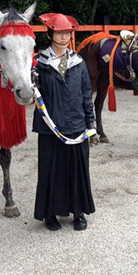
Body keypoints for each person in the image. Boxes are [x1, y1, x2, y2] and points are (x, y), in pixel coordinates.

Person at [33, 13, 96, 231]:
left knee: (77, 170)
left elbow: (86, 95)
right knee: (51, 170)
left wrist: (91, 125)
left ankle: (78, 213)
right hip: (51, 128)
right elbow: (32, 95)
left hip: (77, 126)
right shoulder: (39, 64)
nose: (64, 37)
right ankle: (50, 214)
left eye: (67, 33)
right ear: (50, 34)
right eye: (59, 32)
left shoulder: (78, 62)